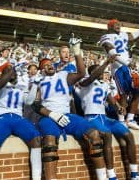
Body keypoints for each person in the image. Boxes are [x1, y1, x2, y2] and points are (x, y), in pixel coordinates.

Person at [32, 39, 108, 180]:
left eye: (50, 64)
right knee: (49, 143)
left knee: (94, 136)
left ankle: (102, 177)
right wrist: (52, 114)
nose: (50, 66)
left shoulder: (63, 75)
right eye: (46, 65)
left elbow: (81, 73)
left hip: (67, 115)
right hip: (49, 117)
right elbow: (35, 105)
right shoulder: (38, 82)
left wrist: (77, 51)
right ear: (42, 70)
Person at [76, 57, 139, 180]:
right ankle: (111, 175)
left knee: (129, 135)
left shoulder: (105, 85)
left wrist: (119, 108)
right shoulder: (85, 82)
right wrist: (106, 62)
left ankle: (134, 173)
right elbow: (92, 77)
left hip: (104, 117)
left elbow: (111, 101)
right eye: (99, 71)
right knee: (107, 135)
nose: (102, 73)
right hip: (91, 117)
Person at [99, 17, 139, 130]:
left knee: (137, 91)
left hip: (128, 66)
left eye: (119, 23)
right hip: (118, 67)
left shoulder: (123, 34)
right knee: (123, 94)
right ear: (109, 27)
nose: (118, 25)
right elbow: (112, 52)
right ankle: (121, 121)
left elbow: (138, 32)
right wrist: (127, 63)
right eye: (115, 24)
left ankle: (130, 119)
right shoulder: (106, 37)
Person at [0, 66, 42, 180]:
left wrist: (35, 84)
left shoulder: (22, 85)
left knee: (36, 138)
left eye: (13, 71)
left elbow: (29, 101)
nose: (11, 73)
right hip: (2, 117)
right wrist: (5, 76)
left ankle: (37, 177)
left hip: (18, 118)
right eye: (8, 71)